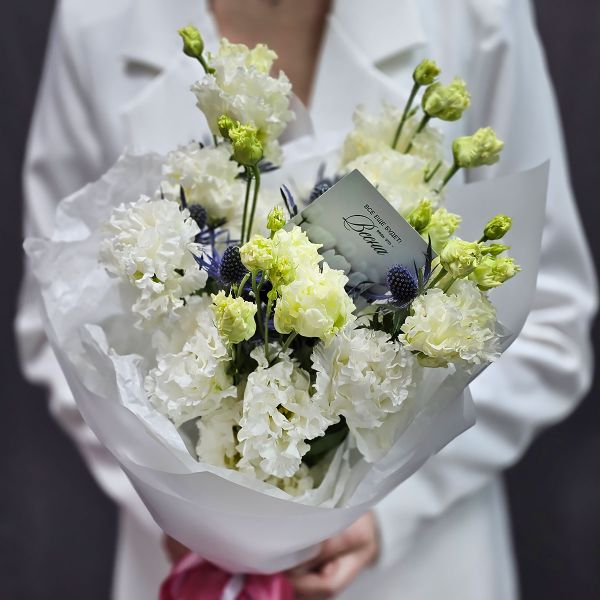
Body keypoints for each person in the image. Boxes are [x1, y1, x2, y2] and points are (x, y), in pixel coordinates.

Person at [16, 0, 597, 598]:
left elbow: (550, 319)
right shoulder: (96, 20)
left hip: (414, 567)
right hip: (186, 566)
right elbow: (56, 320)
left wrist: (389, 510)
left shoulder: (476, 14)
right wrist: (185, 507)